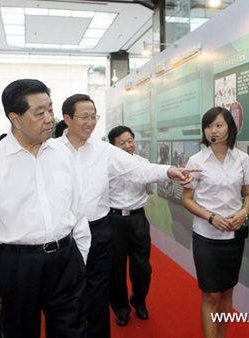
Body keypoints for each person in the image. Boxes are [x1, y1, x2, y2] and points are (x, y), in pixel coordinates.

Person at [59, 94, 198, 338]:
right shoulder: (51, 151)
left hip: (100, 229)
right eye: (84, 117)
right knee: (66, 294)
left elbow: (138, 167)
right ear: (67, 118)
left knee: (99, 291)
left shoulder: (104, 151)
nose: (90, 122)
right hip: (64, 235)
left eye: (94, 117)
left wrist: (169, 171)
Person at [0, 79, 91, 338]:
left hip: (66, 260)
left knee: (73, 332)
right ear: (15, 118)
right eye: (39, 112)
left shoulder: (62, 153)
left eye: (50, 109)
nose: (49, 118)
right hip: (17, 266)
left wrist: (81, 256)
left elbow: (77, 210)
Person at [182, 107, 249, 338]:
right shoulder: (196, 159)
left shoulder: (242, 158)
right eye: (208, 126)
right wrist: (211, 217)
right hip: (206, 236)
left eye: (219, 125)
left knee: (227, 291)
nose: (213, 130)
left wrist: (244, 212)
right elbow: (186, 199)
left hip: (233, 237)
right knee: (211, 294)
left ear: (229, 127)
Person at [107, 125, 155, 327]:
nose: (127, 146)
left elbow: (150, 189)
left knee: (142, 268)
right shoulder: (106, 166)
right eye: (122, 142)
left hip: (138, 219)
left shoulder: (143, 164)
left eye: (130, 141)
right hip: (114, 220)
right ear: (113, 146)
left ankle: (139, 300)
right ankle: (121, 309)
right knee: (115, 270)